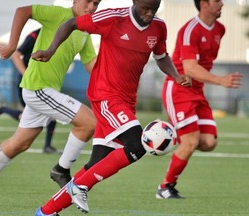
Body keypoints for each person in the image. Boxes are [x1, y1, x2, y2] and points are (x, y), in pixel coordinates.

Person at [30, 0, 191, 215]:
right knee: (137, 144)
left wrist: (176, 76)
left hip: (126, 102)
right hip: (104, 95)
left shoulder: (159, 27)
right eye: (145, 8)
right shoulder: (113, 18)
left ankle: (46, 211)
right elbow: (71, 24)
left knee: (98, 163)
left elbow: (161, 57)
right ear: (134, 2)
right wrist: (51, 50)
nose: (149, 13)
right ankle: (79, 187)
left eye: (154, 8)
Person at [0, 0, 102, 207]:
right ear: (74, 0)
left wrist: (115, 76)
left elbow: (91, 65)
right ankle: (61, 170)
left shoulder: (84, 31)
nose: (92, 7)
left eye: (97, 3)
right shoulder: (57, 14)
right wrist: (12, 45)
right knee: (89, 122)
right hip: (38, 88)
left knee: (21, 142)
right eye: (89, 1)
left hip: (46, 91)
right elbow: (22, 11)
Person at [155, 0, 243, 199]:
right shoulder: (190, 30)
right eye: (217, 1)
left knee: (209, 142)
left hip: (197, 91)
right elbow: (190, 68)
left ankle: (168, 135)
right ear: (204, 3)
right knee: (191, 140)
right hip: (178, 88)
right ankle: (165, 187)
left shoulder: (220, 29)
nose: (221, 4)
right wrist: (221, 80)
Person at [0, 28, 57, 154]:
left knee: (40, 115)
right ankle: (47, 146)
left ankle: (3, 109)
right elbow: (16, 54)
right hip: (28, 83)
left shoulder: (57, 36)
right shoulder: (35, 35)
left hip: (42, 82)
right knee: (46, 114)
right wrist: (27, 75)